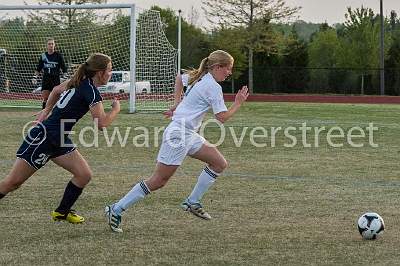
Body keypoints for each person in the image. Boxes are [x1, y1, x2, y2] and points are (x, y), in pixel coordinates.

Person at [105, 50, 249, 233]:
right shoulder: (212, 86)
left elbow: (179, 78)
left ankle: (192, 201)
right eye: (228, 69)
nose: (229, 73)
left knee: (219, 163)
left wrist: (176, 103)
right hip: (178, 135)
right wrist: (237, 103)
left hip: (188, 134)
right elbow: (222, 117)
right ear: (217, 67)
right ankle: (116, 209)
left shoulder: (201, 76)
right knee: (158, 181)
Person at [0, 53, 120, 224]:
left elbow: (56, 90)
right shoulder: (90, 90)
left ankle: (62, 212)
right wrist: (116, 109)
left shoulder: (81, 81)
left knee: (84, 174)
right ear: (100, 72)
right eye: (109, 69)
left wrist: (46, 110)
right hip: (45, 138)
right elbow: (101, 124)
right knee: (12, 183)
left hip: (60, 138)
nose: (111, 72)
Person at [34, 38, 68, 109]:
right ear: (46, 45)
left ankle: (56, 115)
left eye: (52, 44)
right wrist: (34, 77)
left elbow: (64, 68)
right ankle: (43, 115)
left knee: (56, 98)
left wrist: (65, 77)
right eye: (49, 44)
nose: (51, 45)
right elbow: (38, 68)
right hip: (46, 79)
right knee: (45, 98)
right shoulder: (43, 56)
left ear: (54, 45)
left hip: (55, 79)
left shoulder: (58, 55)